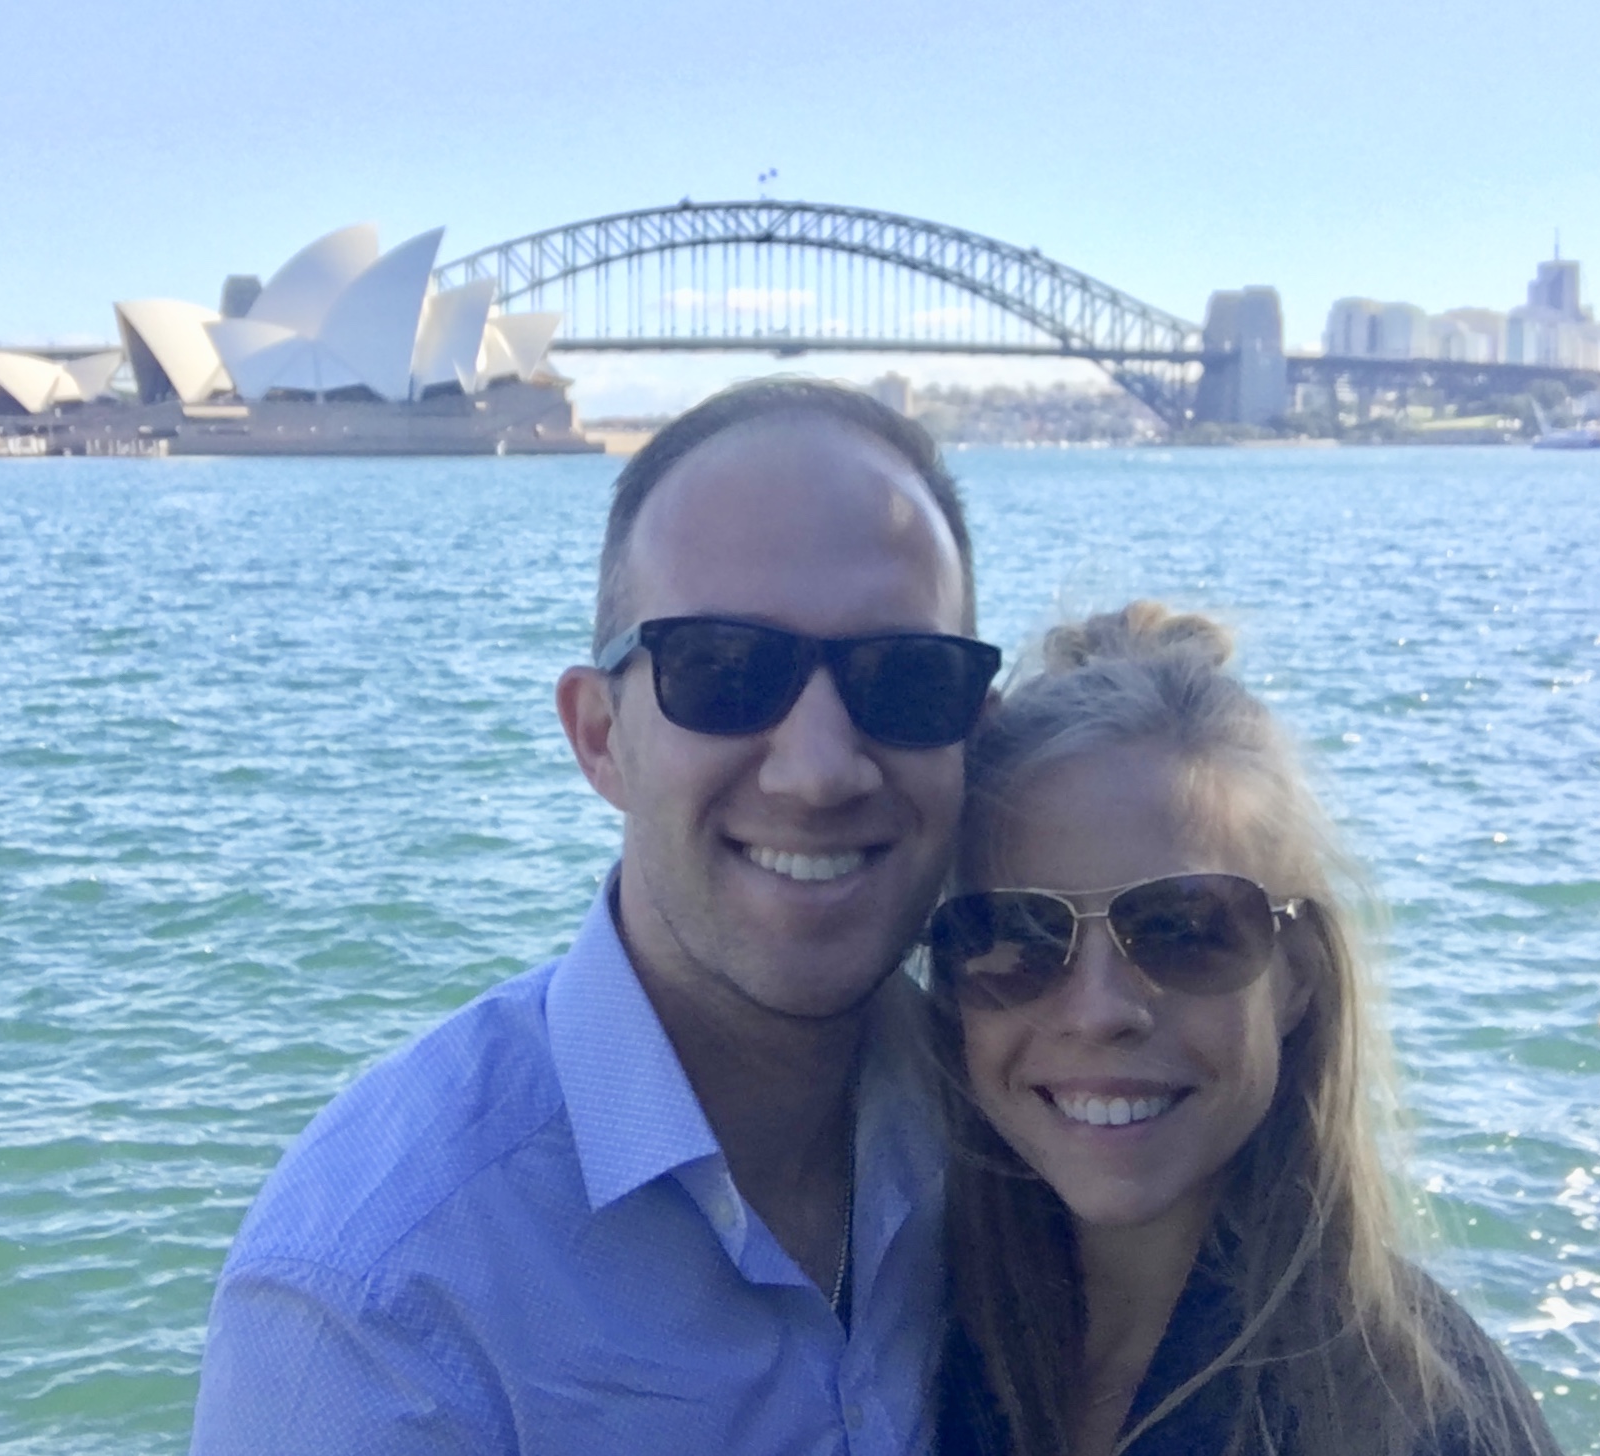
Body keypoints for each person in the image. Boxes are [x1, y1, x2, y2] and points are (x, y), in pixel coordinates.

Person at [191, 378, 1002, 1453]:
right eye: (724, 670)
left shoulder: (1030, 1135)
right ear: (600, 736)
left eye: (906, 678)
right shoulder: (377, 1300)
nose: (816, 771)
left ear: (976, 736)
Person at [926, 603, 1561, 1456]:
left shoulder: (1421, 1415)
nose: (1099, 1009)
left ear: (1297, 973)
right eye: (1020, 935)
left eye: (1183, 930)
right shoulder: (898, 1341)